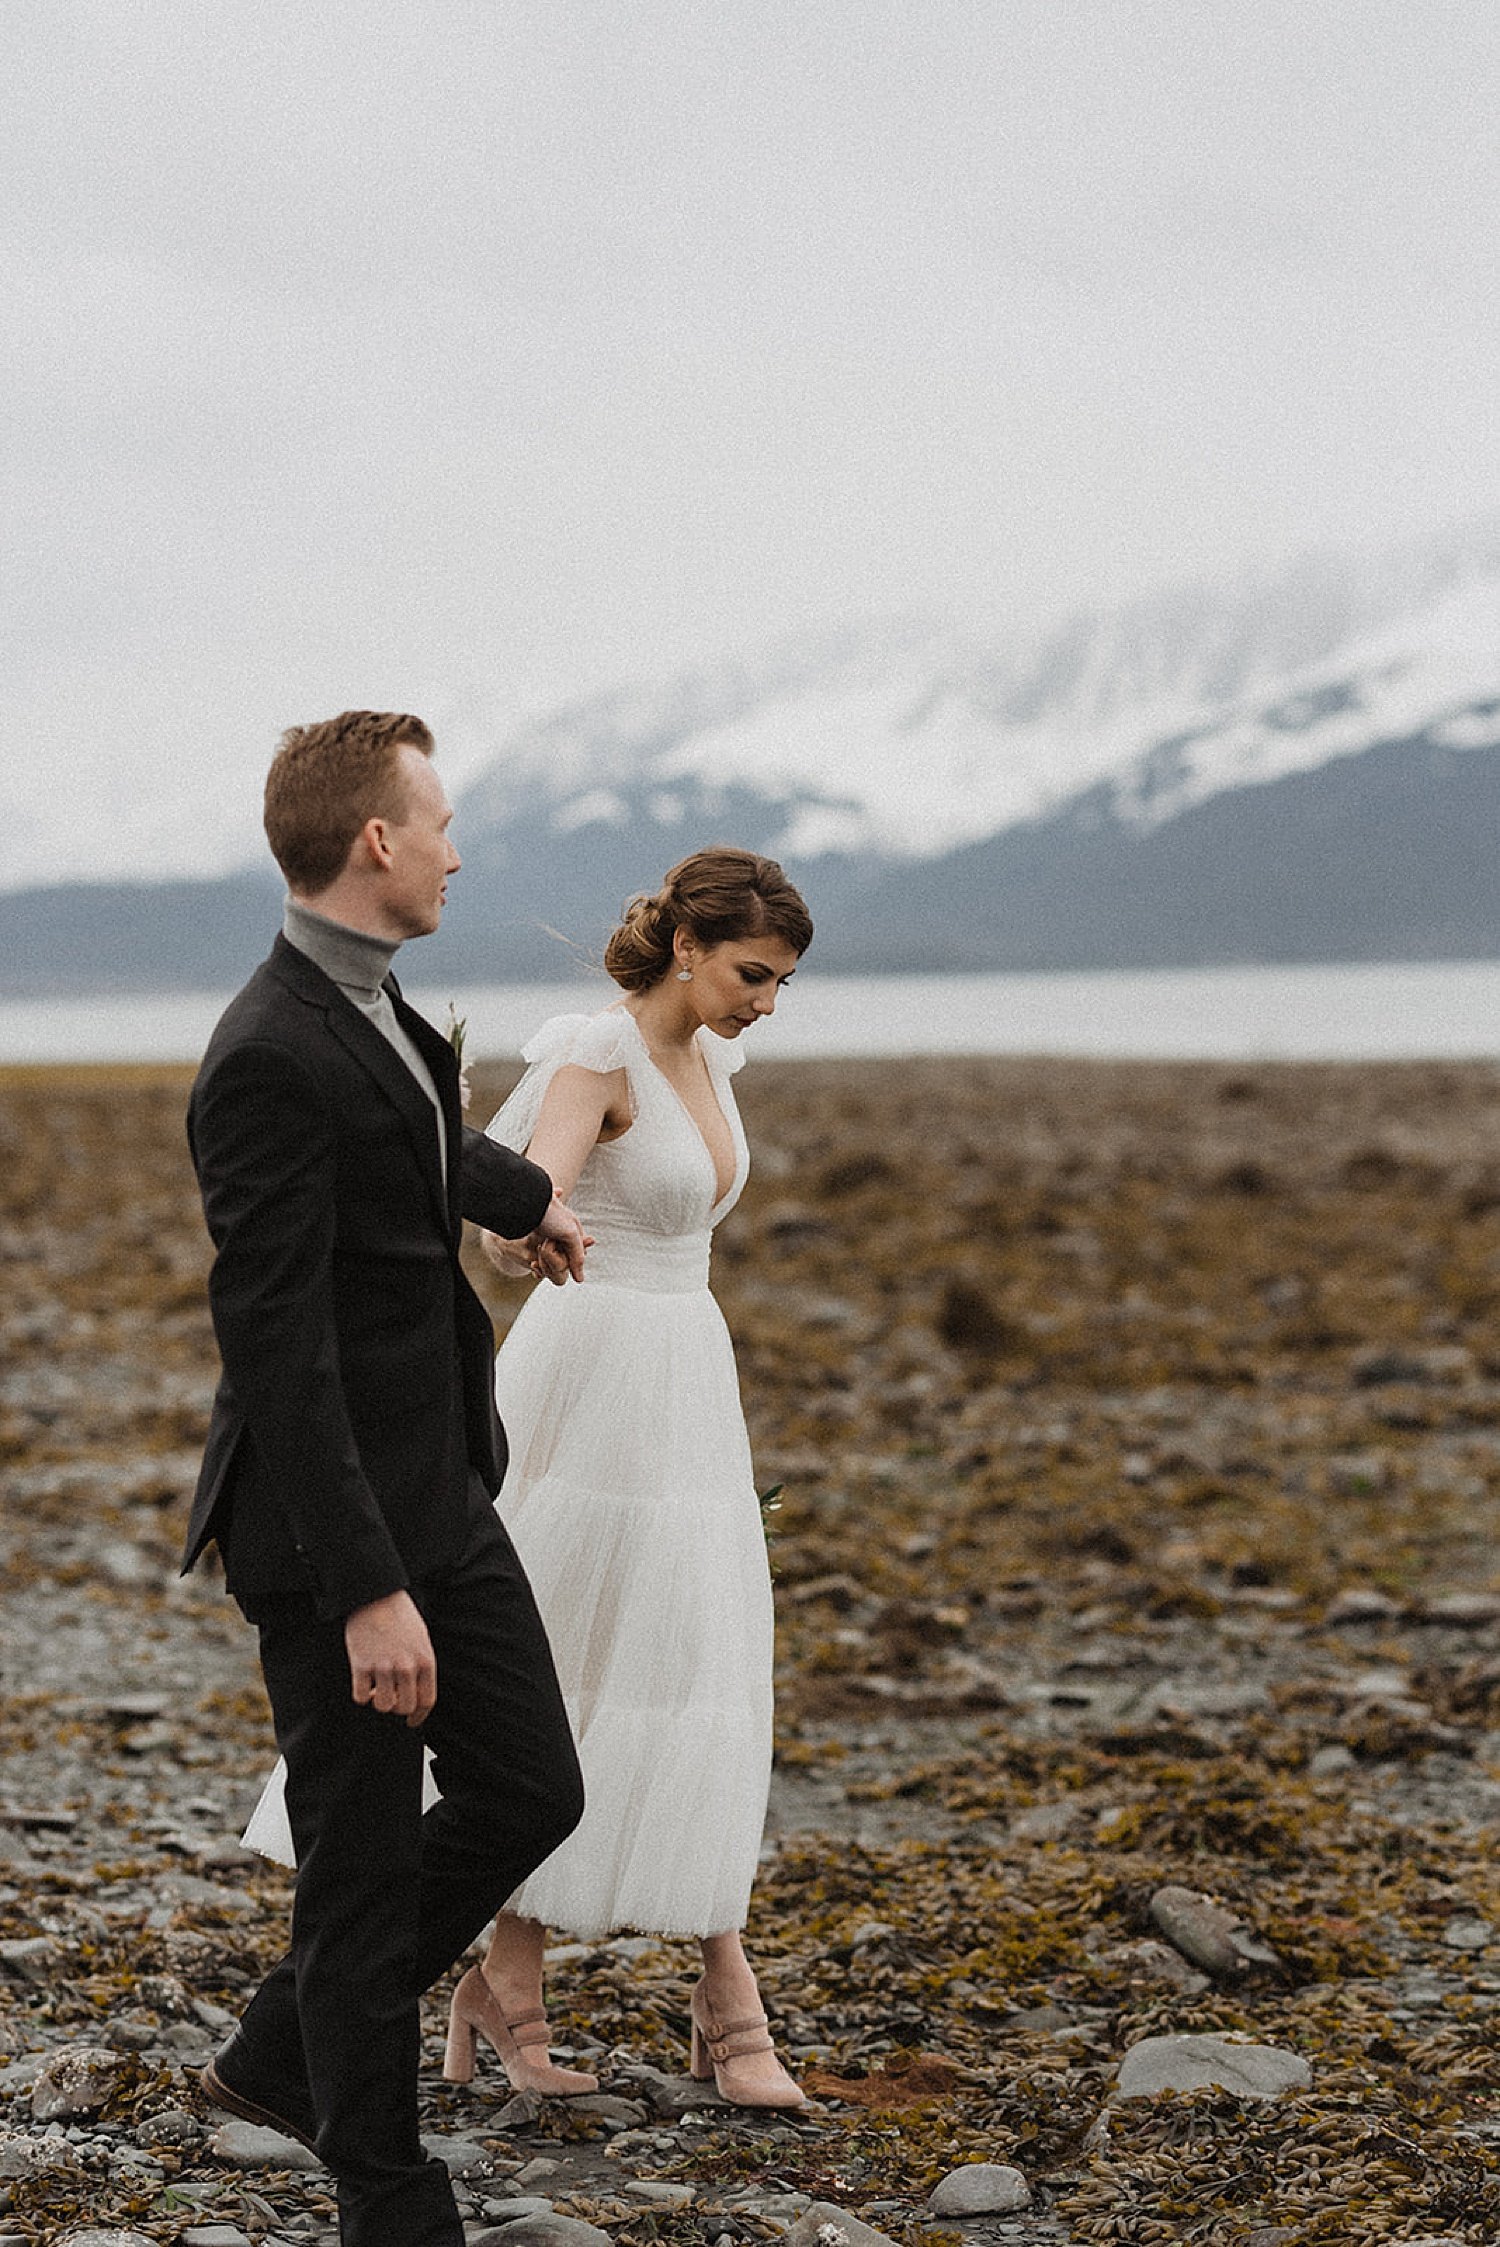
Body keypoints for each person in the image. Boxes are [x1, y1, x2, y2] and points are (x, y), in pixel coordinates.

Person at [182, 710, 589, 2247]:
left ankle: (293, 2042)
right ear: (375, 841)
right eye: (438, 821)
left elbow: (413, 1141)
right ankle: (389, 2195)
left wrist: (524, 1194)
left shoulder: (374, 1006)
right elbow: (273, 1344)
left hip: (438, 1482)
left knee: (535, 1781)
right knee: (356, 1871)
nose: (456, 849)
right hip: (328, 1525)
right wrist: (365, 1589)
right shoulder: (266, 1051)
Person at [444, 846, 814, 2111]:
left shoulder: (713, 1058)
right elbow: (512, 1219)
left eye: (781, 983)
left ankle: (689, 1982)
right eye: (752, 975)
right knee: (563, 1659)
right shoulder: (593, 1055)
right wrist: (523, 1229)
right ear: (688, 949)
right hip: (588, 1376)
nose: (767, 1002)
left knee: (690, 1657)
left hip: (685, 1377)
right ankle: (544, 1987)